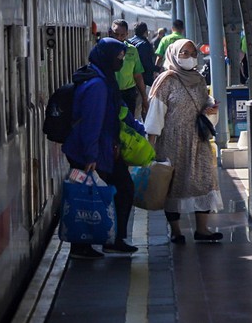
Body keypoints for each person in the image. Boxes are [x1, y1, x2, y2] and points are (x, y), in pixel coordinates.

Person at [62, 38, 145, 258]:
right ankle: (90, 243)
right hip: (91, 152)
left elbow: (116, 113)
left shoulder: (102, 79)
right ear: (107, 57)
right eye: (118, 56)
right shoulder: (98, 85)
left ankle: (108, 239)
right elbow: (92, 122)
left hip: (102, 149)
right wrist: (91, 155)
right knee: (108, 191)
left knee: (102, 192)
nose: (121, 60)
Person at [145, 39, 224, 244]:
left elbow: (205, 101)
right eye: (184, 53)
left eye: (192, 52)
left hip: (198, 139)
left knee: (203, 181)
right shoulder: (165, 80)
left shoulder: (198, 78)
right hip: (171, 141)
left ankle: (202, 229)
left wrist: (211, 108)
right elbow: (155, 114)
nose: (189, 57)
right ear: (173, 55)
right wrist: (150, 147)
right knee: (173, 185)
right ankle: (176, 231)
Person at [111, 19, 149, 117]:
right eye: (116, 34)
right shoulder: (103, 49)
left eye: (122, 35)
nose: (119, 38)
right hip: (109, 93)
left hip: (128, 94)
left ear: (127, 34)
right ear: (110, 33)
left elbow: (138, 75)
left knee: (128, 126)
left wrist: (144, 99)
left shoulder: (132, 50)